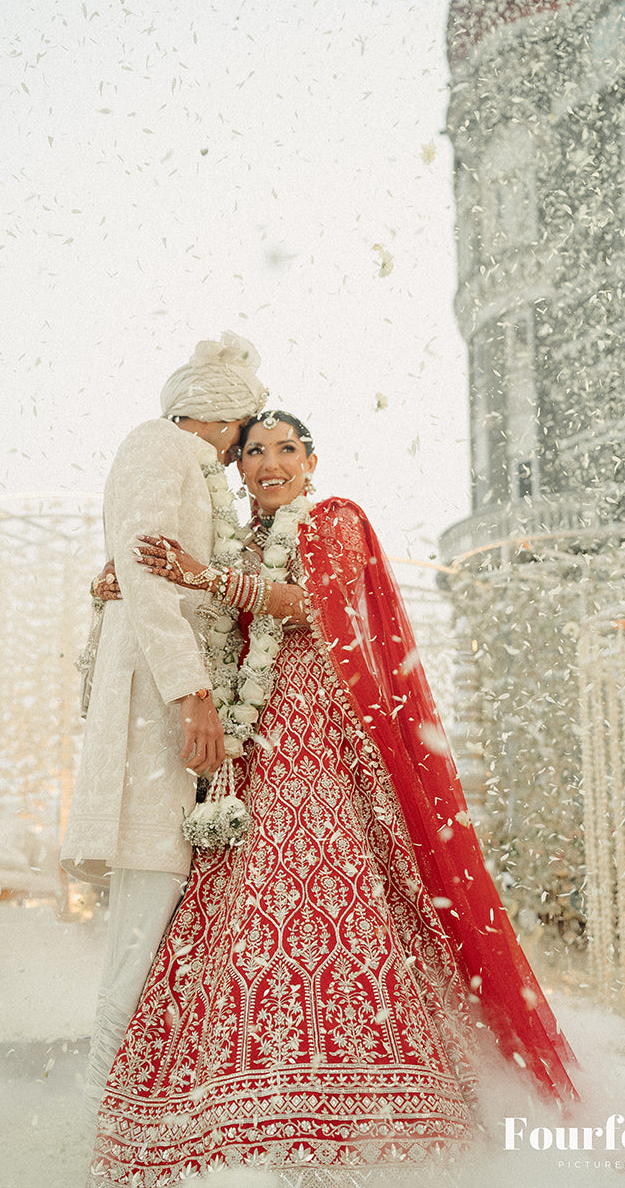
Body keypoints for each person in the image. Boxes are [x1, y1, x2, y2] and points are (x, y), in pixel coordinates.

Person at [87, 412, 577, 1185]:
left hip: (317, 731)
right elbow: (204, 613)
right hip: (249, 749)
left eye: (286, 450)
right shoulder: (234, 541)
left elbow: (316, 607)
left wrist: (203, 576)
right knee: (237, 897)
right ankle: (227, 1114)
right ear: (238, 469)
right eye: (255, 452)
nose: (270, 463)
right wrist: (121, 577)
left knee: (321, 885)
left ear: (313, 461)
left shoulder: (333, 519)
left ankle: (368, 1114)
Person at [60, 332, 267, 1115]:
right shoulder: (161, 447)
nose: (243, 449)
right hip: (158, 708)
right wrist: (195, 697)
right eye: (244, 432)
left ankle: (137, 1101)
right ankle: (105, 1108)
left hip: (169, 702)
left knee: (163, 909)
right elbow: (148, 578)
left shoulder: (180, 461)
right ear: (222, 421)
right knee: (146, 911)